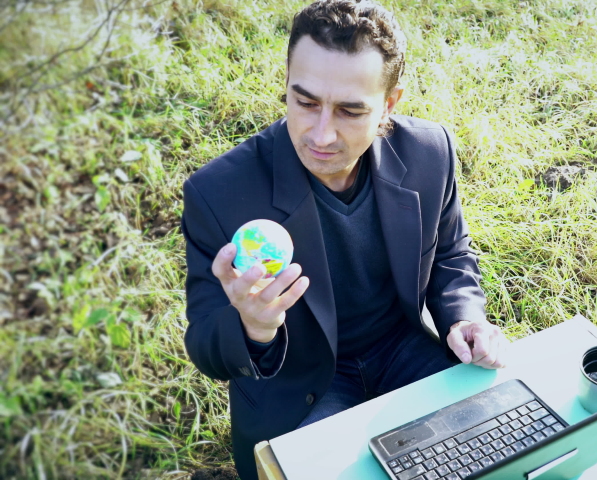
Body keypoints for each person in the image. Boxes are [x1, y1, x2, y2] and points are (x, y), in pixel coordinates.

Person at [180, 1, 509, 478]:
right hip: (302, 378)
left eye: (351, 111)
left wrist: (464, 318)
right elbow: (206, 345)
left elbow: (451, 253)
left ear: (389, 105)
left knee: (498, 441)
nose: (321, 134)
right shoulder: (217, 193)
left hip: (403, 349)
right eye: (305, 101)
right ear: (287, 83)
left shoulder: (429, 152)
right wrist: (252, 326)